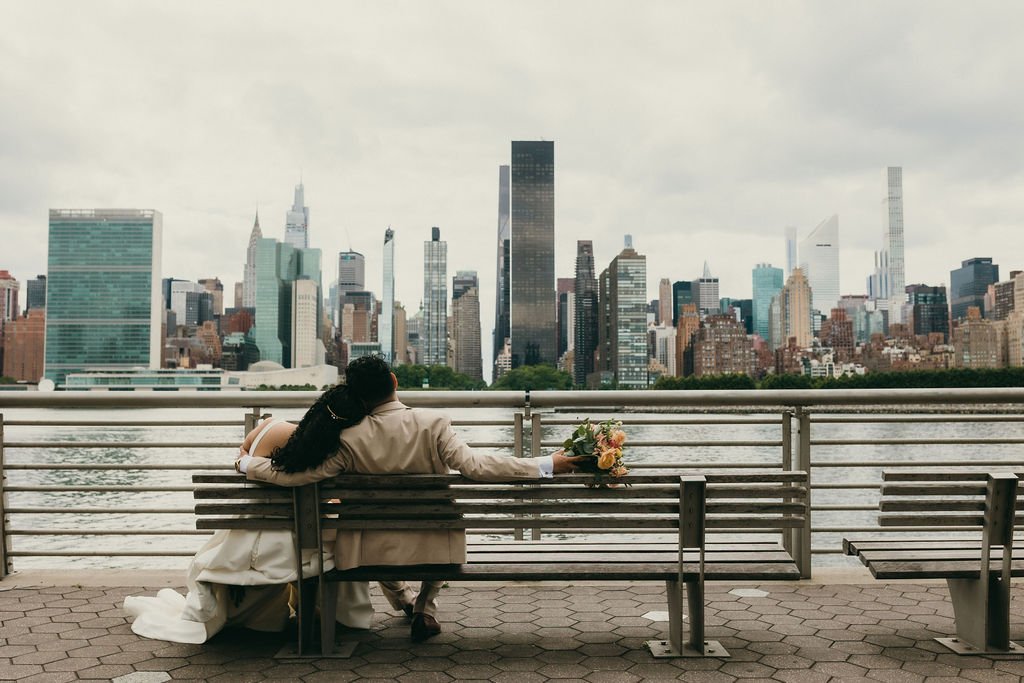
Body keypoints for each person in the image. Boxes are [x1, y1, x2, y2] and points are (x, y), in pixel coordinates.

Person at [239, 355, 581, 641]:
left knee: (377, 532)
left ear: (357, 395)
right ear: (393, 380)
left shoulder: (347, 437)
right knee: (439, 524)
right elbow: (477, 467)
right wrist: (547, 463)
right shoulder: (433, 424)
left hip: (368, 551)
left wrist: (246, 462)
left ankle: (404, 599)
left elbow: (297, 475)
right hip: (436, 546)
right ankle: (424, 607)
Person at [122, 385, 382, 643]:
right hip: (293, 552)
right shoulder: (331, 455)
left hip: (244, 544)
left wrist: (244, 462)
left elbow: (246, 458)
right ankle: (330, 610)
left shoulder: (269, 427)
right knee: (342, 539)